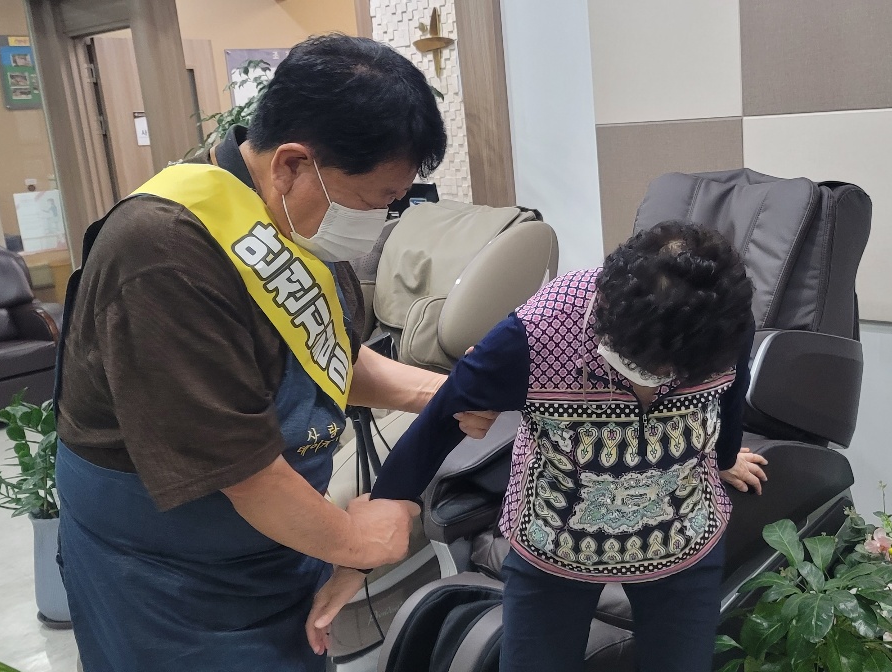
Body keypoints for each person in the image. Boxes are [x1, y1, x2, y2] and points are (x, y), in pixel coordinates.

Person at [53, 35, 495, 671]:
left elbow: (326, 357)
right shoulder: (163, 253)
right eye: (374, 200)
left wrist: (440, 392)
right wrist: (358, 540)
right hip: (167, 572)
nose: (380, 219)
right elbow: (242, 469)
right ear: (291, 164)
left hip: (277, 537)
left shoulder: (292, 224)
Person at [308, 221, 771, 672]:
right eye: (643, 367)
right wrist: (359, 561)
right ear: (604, 308)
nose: (654, 384)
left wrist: (724, 456)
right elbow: (434, 429)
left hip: (683, 536)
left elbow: (730, 395)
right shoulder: (537, 332)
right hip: (555, 542)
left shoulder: (722, 324)